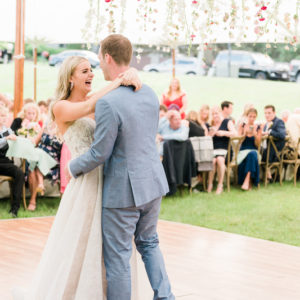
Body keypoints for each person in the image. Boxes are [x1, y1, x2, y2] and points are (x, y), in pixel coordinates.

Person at [11, 51, 147, 299]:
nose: (91, 74)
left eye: (92, 70)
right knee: (82, 239)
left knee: (108, 242)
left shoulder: (99, 99)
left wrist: (132, 74)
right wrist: (118, 80)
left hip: (107, 177)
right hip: (85, 181)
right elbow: (86, 107)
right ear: (70, 78)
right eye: (84, 71)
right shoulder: (60, 107)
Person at [68, 34, 174, 300]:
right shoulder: (149, 93)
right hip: (152, 184)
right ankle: (166, 296)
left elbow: (99, 154)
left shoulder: (108, 102)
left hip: (122, 193)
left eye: (100, 61)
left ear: (107, 57)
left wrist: (72, 167)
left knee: (118, 259)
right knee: (150, 244)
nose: (99, 69)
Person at [0, 105, 24, 218]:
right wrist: (7, 138)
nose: (4, 118)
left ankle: (15, 209)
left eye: (5, 115)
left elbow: (13, 137)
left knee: (19, 172)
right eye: (2, 115)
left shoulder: (6, 130)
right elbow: (5, 140)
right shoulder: (6, 134)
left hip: (4, 161)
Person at [207, 106, 237, 194]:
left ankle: (220, 185)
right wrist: (210, 135)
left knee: (220, 160)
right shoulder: (210, 125)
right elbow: (206, 138)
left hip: (225, 150)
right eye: (213, 114)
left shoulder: (227, 122)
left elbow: (235, 133)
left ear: (220, 113)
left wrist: (224, 133)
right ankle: (210, 184)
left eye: (216, 113)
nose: (215, 115)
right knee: (213, 161)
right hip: (214, 150)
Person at [237, 108, 262, 190]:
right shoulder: (242, 125)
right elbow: (239, 142)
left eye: (254, 117)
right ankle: (249, 182)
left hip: (254, 150)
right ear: (247, 116)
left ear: (256, 117)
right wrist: (244, 133)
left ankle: (247, 181)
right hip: (243, 151)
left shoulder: (258, 127)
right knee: (250, 156)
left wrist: (255, 134)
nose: (252, 118)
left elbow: (258, 145)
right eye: (250, 116)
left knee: (252, 154)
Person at [262, 105, 286, 182]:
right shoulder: (266, 124)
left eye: (269, 113)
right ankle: (268, 176)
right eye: (265, 113)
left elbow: (282, 135)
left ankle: (268, 176)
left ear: (274, 113)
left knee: (261, 154)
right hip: (266, 148)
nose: (267, 115)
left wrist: (269, 132)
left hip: (275, 151)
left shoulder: (279, 122)